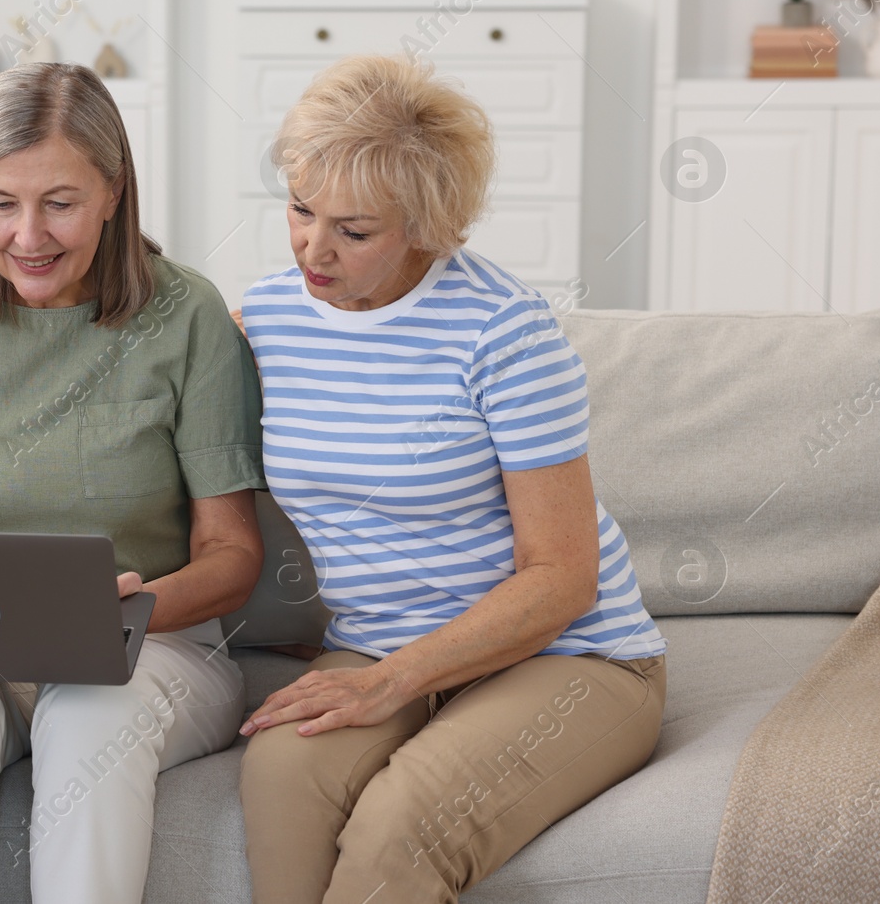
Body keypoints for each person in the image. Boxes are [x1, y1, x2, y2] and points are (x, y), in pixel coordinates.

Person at [236, 54, 667, 904]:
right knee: (281, 773)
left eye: (354, 231)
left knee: (401, 828)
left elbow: (564, 577)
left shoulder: (504, 334)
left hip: (571, 656)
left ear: (429, 227)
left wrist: (391, 679)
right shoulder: (269, 319)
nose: (313, 248)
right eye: (299, 208)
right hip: (375, 641)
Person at [0, 62, 266, 904]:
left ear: (113, 192)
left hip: (151, 647)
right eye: (0, 202)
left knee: (92, 706)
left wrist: (124, 611)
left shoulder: (188, 320)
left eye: (60, 203)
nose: (27, 235)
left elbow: (231, 553)